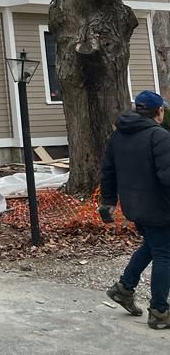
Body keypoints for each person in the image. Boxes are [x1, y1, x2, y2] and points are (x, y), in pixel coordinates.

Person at [101, 89, 170, 330]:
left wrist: (108, 203)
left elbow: (108, 172)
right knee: (164, 254)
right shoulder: (159, 137)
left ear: (137, 109)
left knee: (152, 246)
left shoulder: (117, 136)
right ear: (159, 111)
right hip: (160, 208)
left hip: (134, 206)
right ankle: (160, 311)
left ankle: (124, 289)